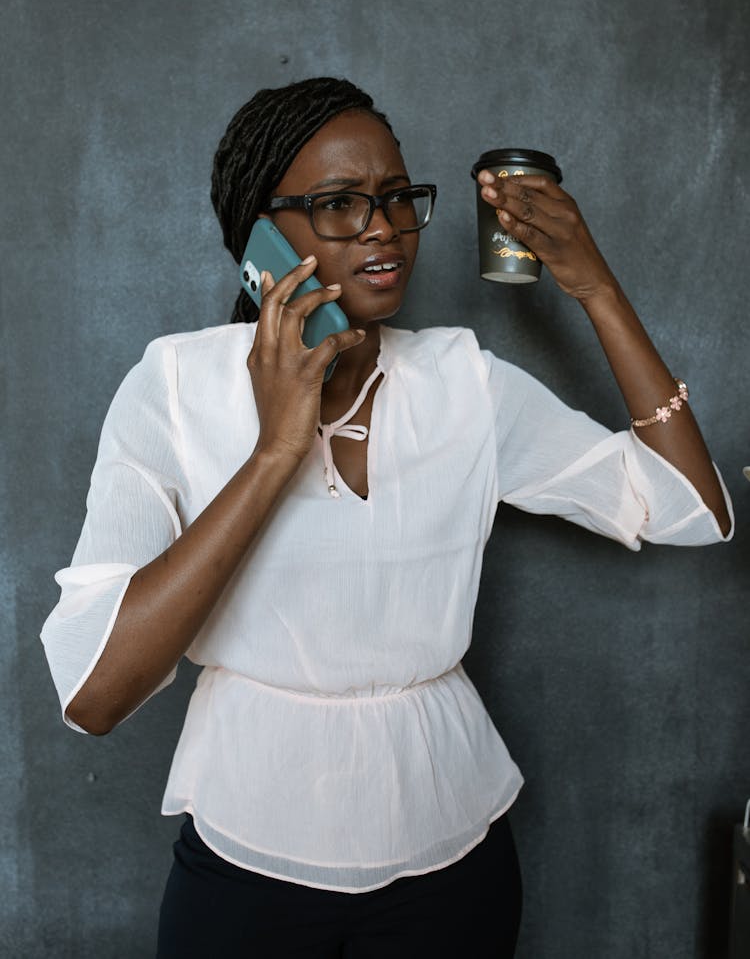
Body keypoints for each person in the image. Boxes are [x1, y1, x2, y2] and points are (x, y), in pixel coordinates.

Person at [41, 76, 733, 958]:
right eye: (339, 203)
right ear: (259, 233)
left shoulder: (462, 382)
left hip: (454, 860)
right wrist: (274, 455)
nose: (383, 226)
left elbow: (691, 509)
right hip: (249, 870)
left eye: (398, 197)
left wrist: (595, 288)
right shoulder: (175, 385)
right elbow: (96, 692)